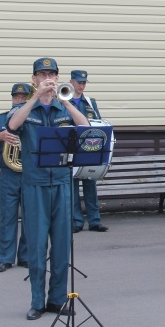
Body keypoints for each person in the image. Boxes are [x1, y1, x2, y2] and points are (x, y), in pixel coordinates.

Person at [7, 58, 89, 320]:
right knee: (37, 244)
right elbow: (12, 126)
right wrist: (34, 98)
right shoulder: (25, 108)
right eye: (42, 75)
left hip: (62, 184)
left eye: (51, 74)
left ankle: (57, 300)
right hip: (35, 185)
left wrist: (65, 100)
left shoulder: (63, 108)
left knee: (63, 245)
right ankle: (37, 302)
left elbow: (85, 127)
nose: (47, 78)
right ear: (34, 79)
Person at [0, 83, 30, 272]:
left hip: (29, 174)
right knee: (8, 217)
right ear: (12, 98)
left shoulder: (33, 119)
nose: (19, 101)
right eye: (16, 97)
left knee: (30, 217)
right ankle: (5, 258)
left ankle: (25, 257)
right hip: (9, 174)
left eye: (23, 98)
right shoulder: (0, 119)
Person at [68, 70, 108, 233]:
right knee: (73, 186)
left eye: (84, 82)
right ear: (71, 82)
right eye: (79, 82)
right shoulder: (64, 100)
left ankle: (94, 221)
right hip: (71, 146)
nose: (82, 85)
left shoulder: (90, 102)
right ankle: (77, 221)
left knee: (90, 184)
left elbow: (97, 121)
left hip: (89, 146)